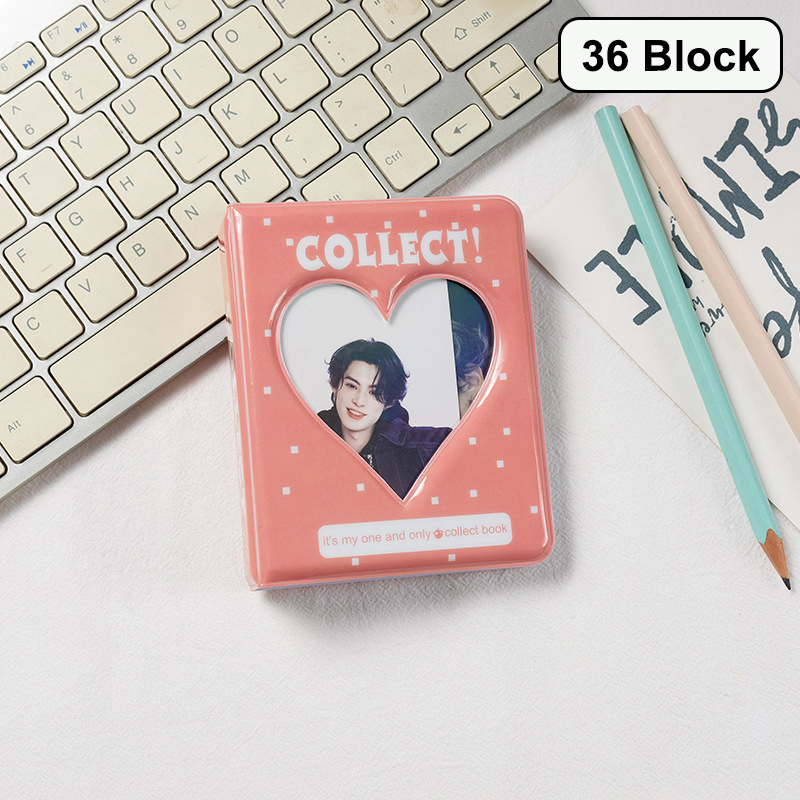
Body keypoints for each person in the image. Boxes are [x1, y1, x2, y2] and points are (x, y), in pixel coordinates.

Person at [318, 339, 451, 498]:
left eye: (374, 392)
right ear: (334, 385)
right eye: (352, 386)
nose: (359, 401)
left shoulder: (424, 447)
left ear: (390, 402)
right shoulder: (308, 440)